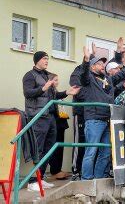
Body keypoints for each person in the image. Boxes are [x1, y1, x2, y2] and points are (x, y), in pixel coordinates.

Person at [80, 46, 125, 180]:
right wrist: (86, 60)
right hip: (94, 119)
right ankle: (86, 180)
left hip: (107, 119)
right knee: (91, 151)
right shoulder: (89, 79)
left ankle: (99, 178)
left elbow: (124, 73)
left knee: (105, 152)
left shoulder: (107, 79)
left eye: (102, 63)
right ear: (92, 67)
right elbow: (84, 74)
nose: (102, 65)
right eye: (98, 63)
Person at [23, 51, 80, 191]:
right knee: (38, 149)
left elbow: (54, 95)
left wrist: (67, 92)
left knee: (49, 149)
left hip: (50, 117)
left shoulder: (47, 75)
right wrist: (43, 88)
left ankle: (40, 178)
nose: (46, 61)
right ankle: (32, 182)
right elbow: (28, 93)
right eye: (44, 59)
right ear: (37, 60)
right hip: (38, 116)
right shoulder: (30, 75)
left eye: (48, 59)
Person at [48, 74, 70, 180]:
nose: (57, 82)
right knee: (55, 148)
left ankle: (58, 169)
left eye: (57, 80)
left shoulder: (56, 92)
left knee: (60, 147)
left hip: (61, 123)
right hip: (54, 123)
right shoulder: (48, 93)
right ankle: (54, 171)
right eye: (55, 80)